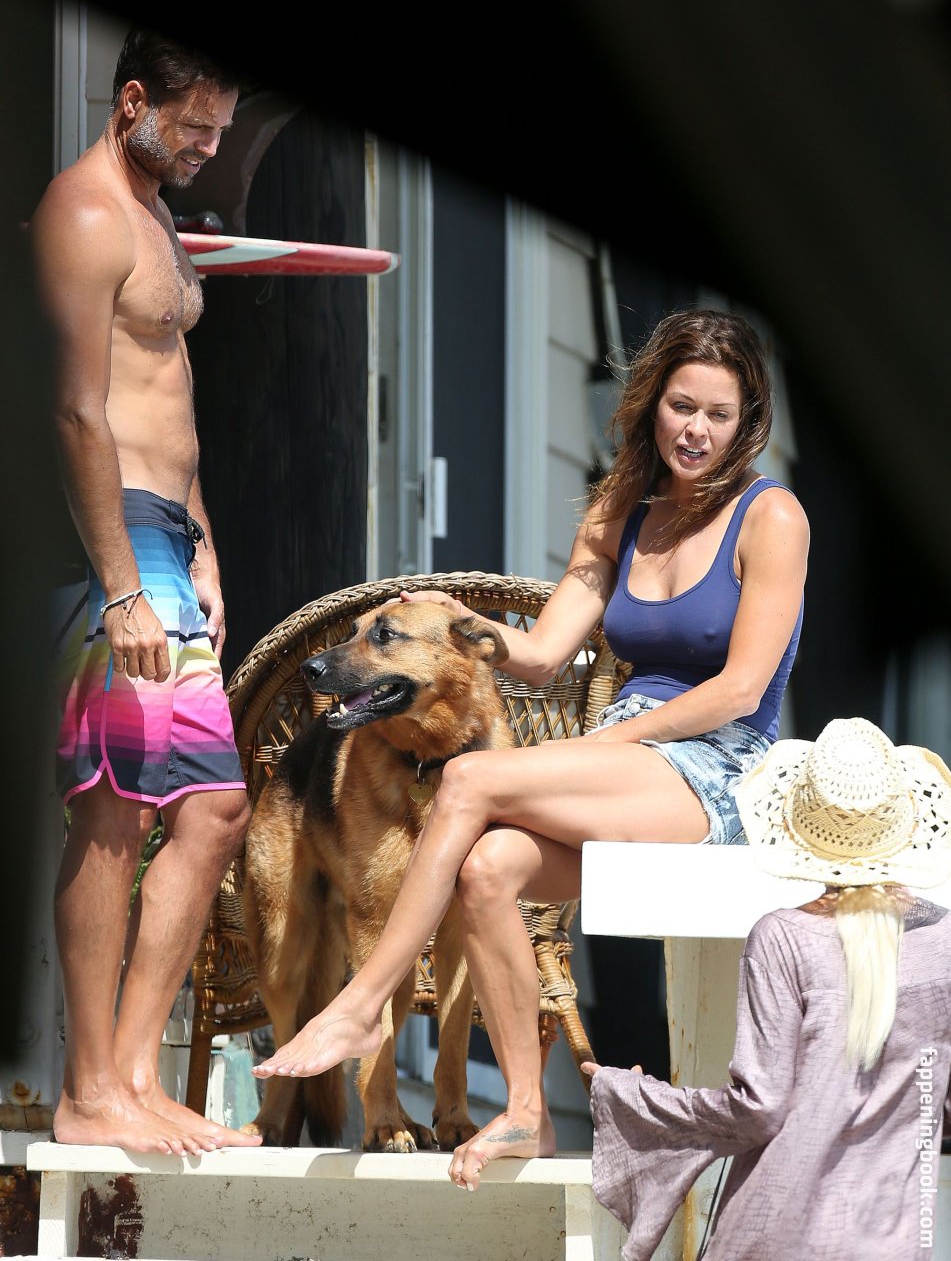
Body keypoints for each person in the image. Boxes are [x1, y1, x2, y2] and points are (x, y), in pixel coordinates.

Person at [251, 306, 810, 1186]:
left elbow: (741, 689)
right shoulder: (622, 512)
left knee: (468, 780)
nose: (695, 431)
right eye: (680, 406)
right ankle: (522, 1112)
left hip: (721, 765)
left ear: (746, 424)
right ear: (651, 403)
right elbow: (544, 657)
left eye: (717, 414)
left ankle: (361, 1004)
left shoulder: (770, 517)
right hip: (626, 760)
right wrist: (467, 626)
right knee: (488, 869)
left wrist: (624, 732)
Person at [32, 28, 262, 1155]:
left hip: (168, 534)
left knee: (213, 808)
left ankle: (131, 1073)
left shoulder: (156, 212)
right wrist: (123, 588)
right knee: (117, 804)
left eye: (221, 128)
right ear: (132, 100)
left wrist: (202, 537)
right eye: (196, 126)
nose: (211, 148)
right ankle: (87, 1087)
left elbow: (168, 389)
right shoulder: (84, 214)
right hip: (115, 540)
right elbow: (78, 409)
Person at [583, 716, 951, 1260]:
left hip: (780, 1233)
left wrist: (635, 1097)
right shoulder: (943, 939)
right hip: (893, 1240)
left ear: (802, 826)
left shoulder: (784, 936)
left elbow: (761, 1108)